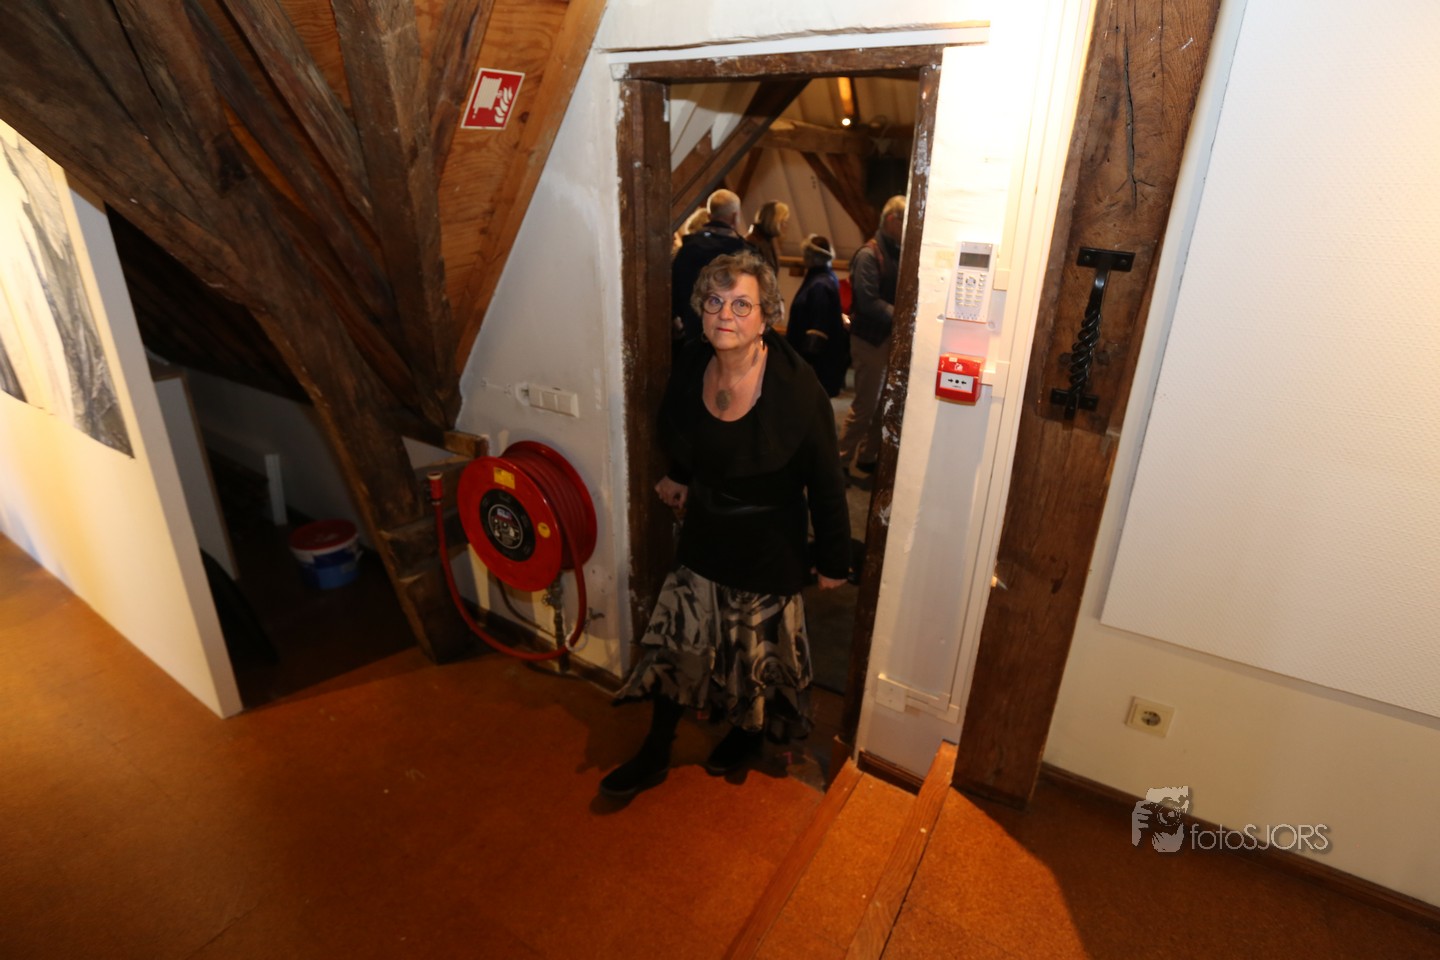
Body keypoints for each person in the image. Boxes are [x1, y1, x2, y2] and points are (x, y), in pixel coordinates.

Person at [601, 250, 851, 799]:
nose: (725, 315)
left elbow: (826, 480)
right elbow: (687, 430)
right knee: (677, 642)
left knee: (752, 653)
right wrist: (680, 475)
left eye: (742, 305)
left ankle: (746, 732)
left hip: (768, 543)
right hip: (706, 531)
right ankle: (656, 749)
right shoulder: (694, 361)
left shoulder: (797, 388)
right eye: (714, 301)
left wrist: (834, 559)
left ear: (765, 317)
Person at [837, 195, 905, 475]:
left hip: (887, 338)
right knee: (865, 405)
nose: (908, 227)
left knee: (883, 404)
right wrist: (902, 315)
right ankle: (839, 461)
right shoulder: (868, 254)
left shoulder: (895, 251)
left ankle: (867, 455)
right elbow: (867, 301)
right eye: (904, 221)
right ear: (891, 220)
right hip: (869, 339)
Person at [671, 189, 746, 360]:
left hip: (691, 333)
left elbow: (675, 290)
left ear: (709, 215)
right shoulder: (742, 254)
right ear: (735, 217)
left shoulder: (687, 250)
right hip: (728, 335)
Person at [785, 234, 849, 397]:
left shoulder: (819, 285)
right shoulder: (825, 278)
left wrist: (804, 364)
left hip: (817, 365)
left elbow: (818, 330)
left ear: (810, 257)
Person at [743, 200, 790, 275]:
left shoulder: (769, 240)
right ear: (773, 221)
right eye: (783, 221)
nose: (785, 225)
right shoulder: (751, 242)